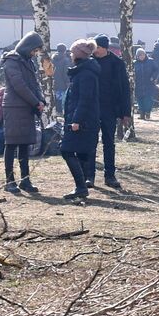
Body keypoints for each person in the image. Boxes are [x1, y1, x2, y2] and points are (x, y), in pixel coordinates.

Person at [0, 32, 45, 195]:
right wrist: (35, 101)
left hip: (27, 107)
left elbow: (35, 84)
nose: (35, 53)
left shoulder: (28, 62)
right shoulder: (11, 61)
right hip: (14, 107)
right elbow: (18, 85)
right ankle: (10, 181)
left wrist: (41, 100)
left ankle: (25, 180)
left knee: (25, 145)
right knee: (11, 144)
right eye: (35, 50)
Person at [60, 39, 101, 202]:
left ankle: (81, 187)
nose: (70, 55)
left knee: (66, 150)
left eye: (72, 52)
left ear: (77, 55)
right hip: (82, 119)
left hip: (83, 121)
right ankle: (82, 186)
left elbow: (85, 99)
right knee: (81, 152)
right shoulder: (83, 71)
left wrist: (76, 120)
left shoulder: (86, 74)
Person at [91, 35, 129, 189]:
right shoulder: (89, 61)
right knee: (90, 142)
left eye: (98, 48)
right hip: (92, 108)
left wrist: (126, 112)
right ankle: (89, 175)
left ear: (105, 48)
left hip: (109, 109)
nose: (95, 51)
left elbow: (125, 88)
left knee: (108, 143)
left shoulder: (117, 63)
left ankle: (110, 175)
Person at [134, 47, 159, 120]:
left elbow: (156, 70)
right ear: (137, 56)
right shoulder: (134, 63)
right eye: (140, 55)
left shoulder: (150, 61)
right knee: (140, 99)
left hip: (149, 83)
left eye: (143, 55)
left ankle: (147, 113)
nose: (141, 56)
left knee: (148, 99)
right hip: (138, 84)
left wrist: (153, 77)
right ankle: (142, 114)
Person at [50, 43, 71, 113]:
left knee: (55, 99)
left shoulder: (51, 59)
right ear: (64, 50)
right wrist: (68, 82)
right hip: (62, 84)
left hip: (53, 83)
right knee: (62, 100)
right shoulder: (65, 60)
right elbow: (65, 73)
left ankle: (55, 112)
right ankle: (60, 112)